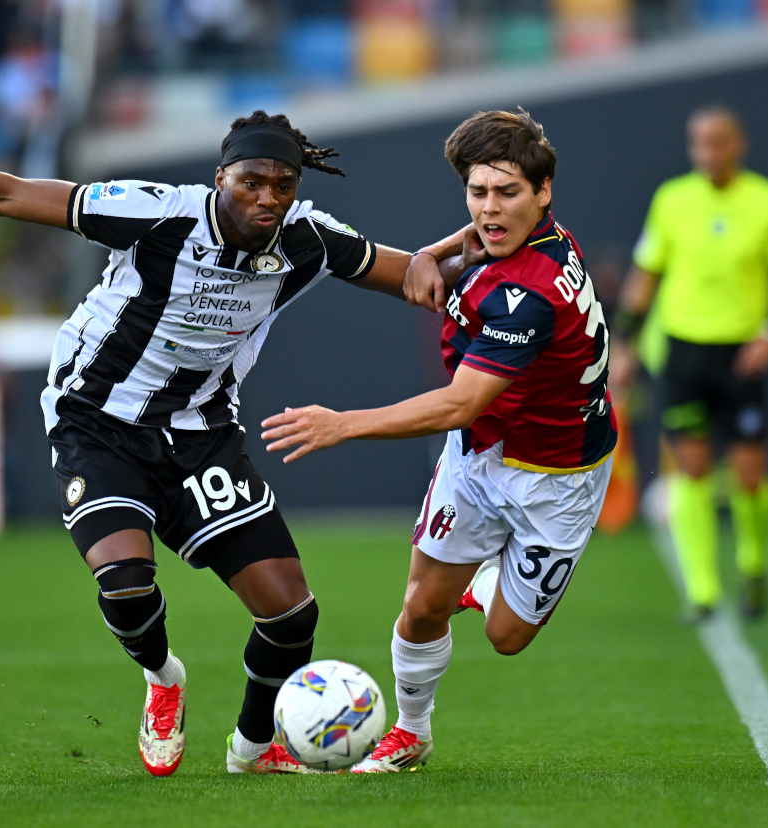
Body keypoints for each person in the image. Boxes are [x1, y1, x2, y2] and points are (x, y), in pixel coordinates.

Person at [0, 110, 466, 776]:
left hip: (200, 432)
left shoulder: (307, 240)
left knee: (291, 614)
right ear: (221, 178)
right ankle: (164, 678)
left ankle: (252, 749)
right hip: (96, 420)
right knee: (126, 584)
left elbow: (410, 273)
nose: (268, 199)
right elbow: (5, 193)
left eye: (282, 186)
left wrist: (492, 249)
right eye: (253, 182)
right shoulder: (156, 212)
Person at [261, 108, 617, 771]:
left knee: (506, 637)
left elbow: (459, 402)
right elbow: (477, 237)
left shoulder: (532, 294)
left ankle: (484, 582)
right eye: (478, 192)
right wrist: (429, 252)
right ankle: (412, 734)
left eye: (507, 193)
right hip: (482, 451)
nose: (489, 209)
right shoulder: (520, 235)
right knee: (421, 606)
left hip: (556, 473)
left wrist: (343, 424)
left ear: (543, 194)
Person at [610, 105, 768, 622]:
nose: (707, 153)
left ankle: (753, 561)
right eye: (698, 143)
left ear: (738, 144)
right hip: (684, 351)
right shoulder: (672, 201)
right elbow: (646, 275)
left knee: (748, 475)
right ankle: (701, 591)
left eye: (717, 142)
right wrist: (624, 345)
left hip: (742, 355)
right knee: (690, 470)